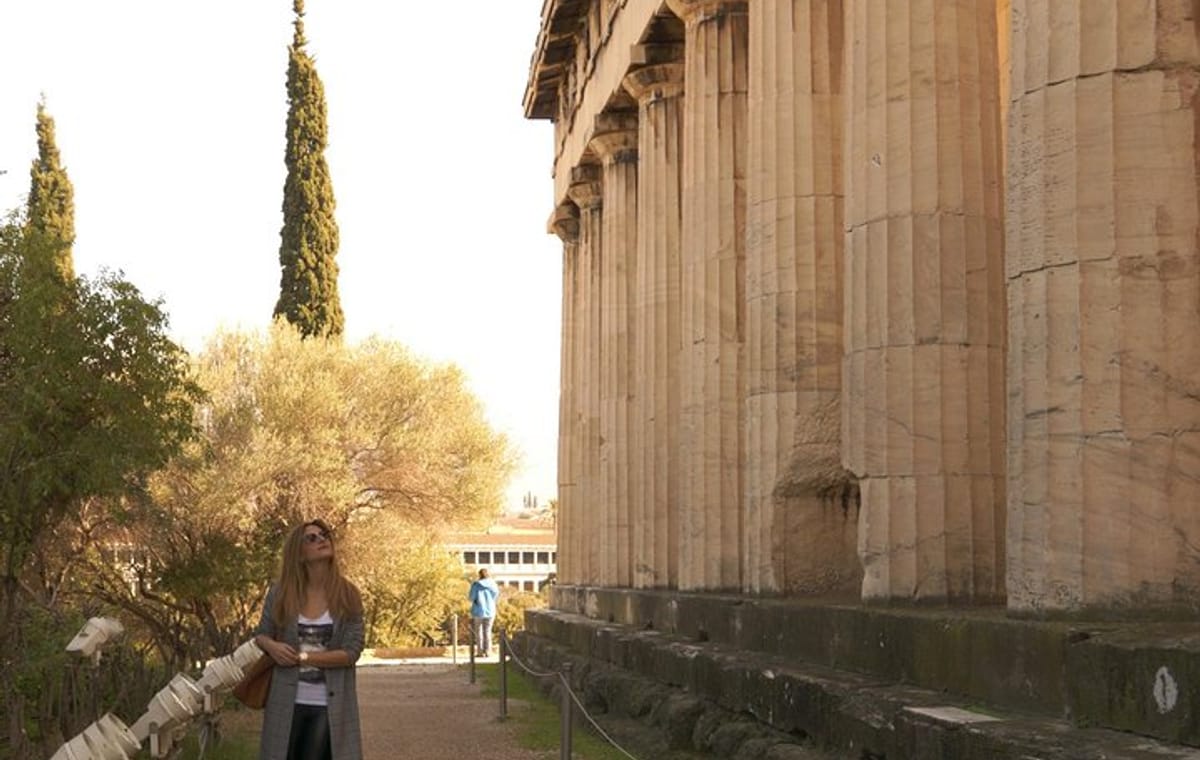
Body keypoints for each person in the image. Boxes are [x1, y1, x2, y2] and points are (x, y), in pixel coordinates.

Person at [254, 519, 364, 760]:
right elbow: (260, 635)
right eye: (312, 538)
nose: (322, 539)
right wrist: (272, 646)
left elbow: (352, 652)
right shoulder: (280, 593)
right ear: (299, 554)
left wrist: (303, 657)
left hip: (330, 705)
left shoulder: (348, 594)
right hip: (285, 703)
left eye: (324, 535)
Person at [468, 568, 500, 657]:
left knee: (479, 632)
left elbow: (471, 597)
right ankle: (488, 651)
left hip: (478, 610)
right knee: (488, 631)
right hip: (490, 610)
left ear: (480, 575)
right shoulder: (493, 584)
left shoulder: (476, 585)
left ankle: (480, 652)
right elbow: (496, 595)